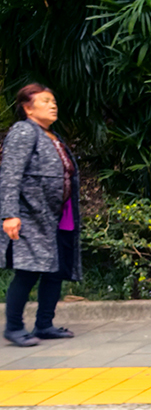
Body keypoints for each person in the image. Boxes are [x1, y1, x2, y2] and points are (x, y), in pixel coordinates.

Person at [1, 84, 82, 347]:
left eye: (54, 101)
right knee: (27, 272)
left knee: (55, 270)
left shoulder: (52, 136)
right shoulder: (23, 131)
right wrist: (10, 214)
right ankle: (13, 327)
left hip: (58, 215)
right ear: (27, 107)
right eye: (45, 101)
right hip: (30, 215)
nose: (52, 105)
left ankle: (44, 324)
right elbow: (10, 175)